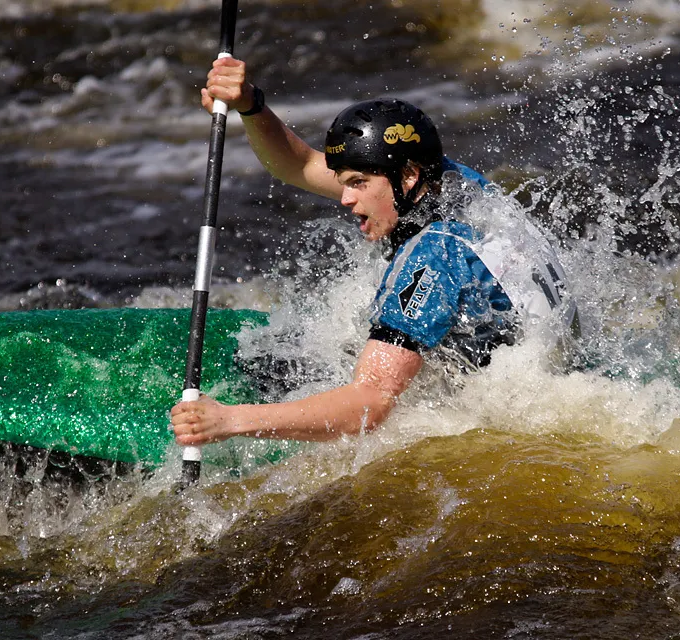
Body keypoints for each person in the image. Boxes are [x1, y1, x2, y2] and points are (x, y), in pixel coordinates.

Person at [170, 56, 579, 446]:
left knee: (280, 372)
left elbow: (372, 403)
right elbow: (297, 167)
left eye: (358, 182)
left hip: (515, 416)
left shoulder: (434, 256)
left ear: (409, 175)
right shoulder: (454, 185)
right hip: (557, 370)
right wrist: (251, 106)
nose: (345, 199)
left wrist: (230, 421)